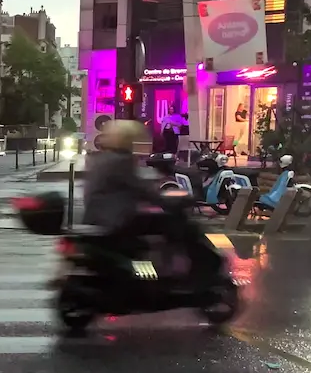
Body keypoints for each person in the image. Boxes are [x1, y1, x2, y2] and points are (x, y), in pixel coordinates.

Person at [83, 119, 220, 283]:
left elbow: (131, 188)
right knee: (170, 223)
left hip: (99, 217)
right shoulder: (120, 161)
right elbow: (141, 189)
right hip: (117, 219)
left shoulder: (101, 159)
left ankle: (161, 267)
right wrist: (169, 200)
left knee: (155, 222)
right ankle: (181, 272)